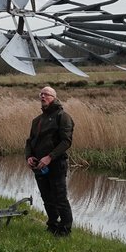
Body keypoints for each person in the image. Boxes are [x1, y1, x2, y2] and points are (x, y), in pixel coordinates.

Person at [24, 85, 74, 237]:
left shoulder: (63, 117)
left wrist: (50, 157)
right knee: (47, 198)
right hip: (39, 166)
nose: (42, 96)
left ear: (54, 98)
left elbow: (66, 142)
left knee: (60, 198)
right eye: (41, 94)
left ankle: (64, 230)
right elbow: (30, 141)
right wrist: (29, 156)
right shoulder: (37, 120)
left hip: (56, 164)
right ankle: (52, 225)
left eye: (46, 94)